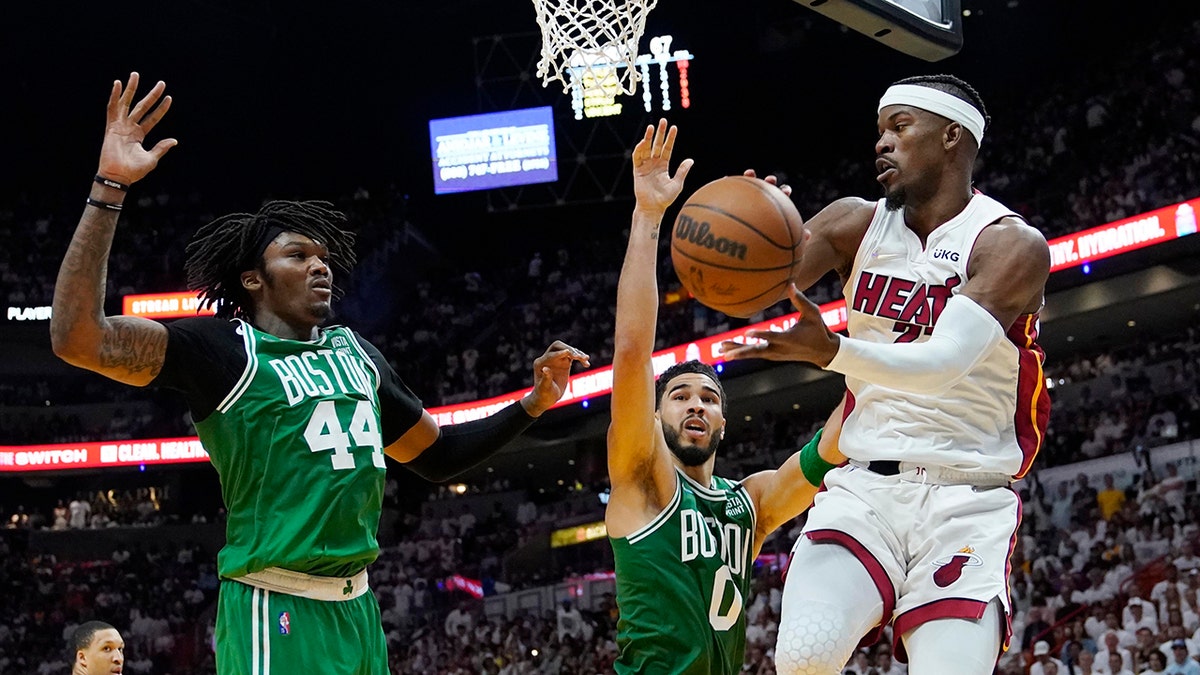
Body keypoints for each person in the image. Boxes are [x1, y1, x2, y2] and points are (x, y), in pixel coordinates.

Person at [50, 73, 589, 675]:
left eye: (324, 258)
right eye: (297, 255)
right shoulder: (224, 350)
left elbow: (435, 455)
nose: (319, 266)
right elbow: (77, 338)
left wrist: (534, 404)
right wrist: (109, 188)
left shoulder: (355, 352)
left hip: (358, 611)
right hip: (274, 605)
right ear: (253, 279)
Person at [720, 74, 1052, 674]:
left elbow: (942, 366)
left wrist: (833, 352)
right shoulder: (854, 223)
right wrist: (750, 235)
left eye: (900, 127)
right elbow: (745, 296)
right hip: (863, 490)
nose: (882, 143)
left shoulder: (1010, 245)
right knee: (803, 660)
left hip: (968, 499)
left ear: (953, 136)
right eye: (880, 131)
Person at [605, 119, 844, 674]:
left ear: (723, 423)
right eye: (679, 396)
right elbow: (633, 353)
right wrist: (647, 216)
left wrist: (867, 354)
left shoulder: (749, 506)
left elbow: (831, 447)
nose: (695, 404)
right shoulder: (645, 479)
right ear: (655, 415)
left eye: (708, 399)